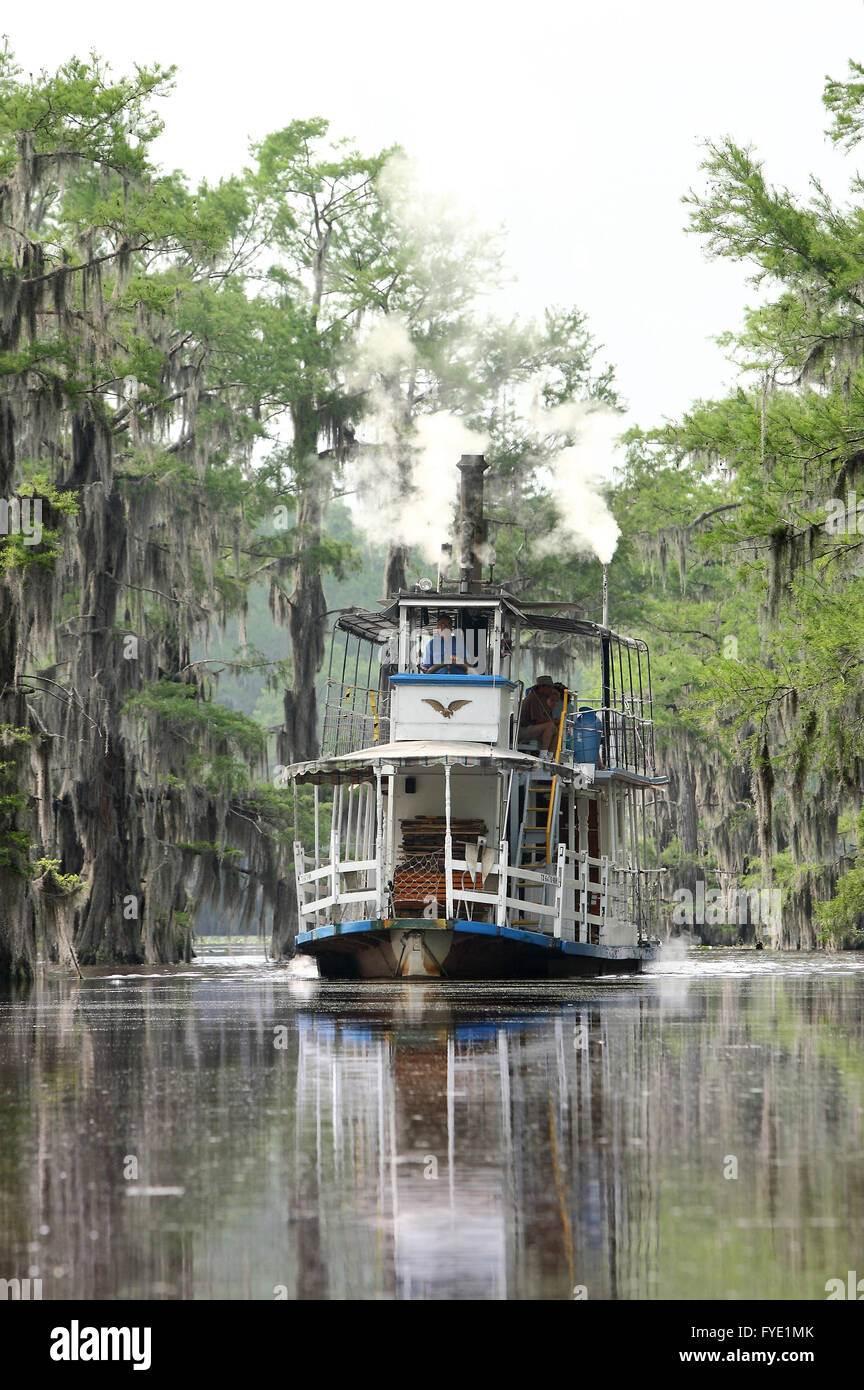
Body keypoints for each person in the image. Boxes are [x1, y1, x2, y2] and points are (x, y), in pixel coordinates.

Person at [518, 675, 561, 756]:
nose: (551, 690)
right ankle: (543, 756)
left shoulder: (543, 699)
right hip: (523, 730)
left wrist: (556, 722)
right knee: (550, 726)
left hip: (534, 728)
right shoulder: (533, 698)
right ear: (542, 687)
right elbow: (538, 720)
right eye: (549, 687)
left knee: (558, 729)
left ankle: (551, 756)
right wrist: (554, 721)